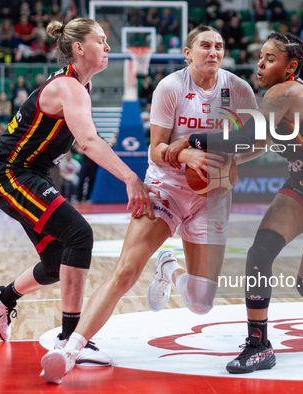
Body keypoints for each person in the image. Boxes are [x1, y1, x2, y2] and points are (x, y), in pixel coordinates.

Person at [40, 24, 259, 384]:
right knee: (126, 270)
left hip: (213, 195)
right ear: (188, 53)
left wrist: (227, 157)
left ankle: (168, 267)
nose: (214, 52)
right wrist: (184, 155)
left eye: (219, 46)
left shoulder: (238, 89)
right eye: (205, 45)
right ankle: (70, 350)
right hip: (166, 189)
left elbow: (258, 141)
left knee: (202, 302)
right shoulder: (171, 87)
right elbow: (157, 150)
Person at [162, 32, 303, 373]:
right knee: (259, 253)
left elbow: (245, 137)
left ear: (290, 67)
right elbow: (254, 145)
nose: (260, 63)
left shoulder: (286, 91)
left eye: (269, 58)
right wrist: (229, 164)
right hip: (302, 185)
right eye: (260, 56)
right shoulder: (276, 97)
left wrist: (191, 138)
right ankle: (259, 345)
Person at [0, 18, 157, 376]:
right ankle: (70, 338)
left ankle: (2, 297)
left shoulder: (79, 88)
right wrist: (130, 178)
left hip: (30, 174)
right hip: (10, 173)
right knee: (80, 235)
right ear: (79, 48)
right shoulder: (69, 87)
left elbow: (81, 139)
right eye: (102, 41)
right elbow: (89, 142)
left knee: (55, 262)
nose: (108, 47)